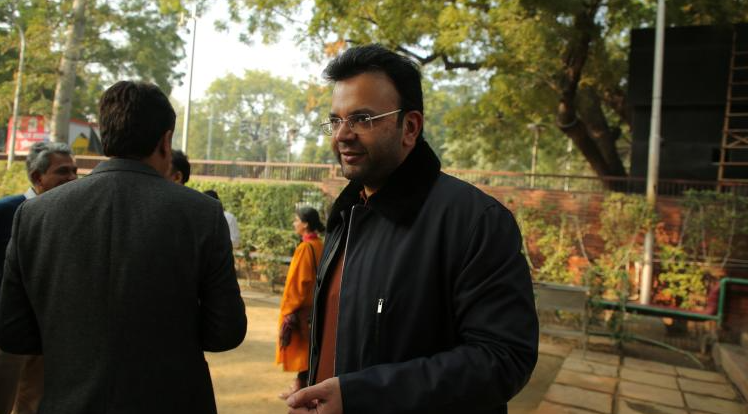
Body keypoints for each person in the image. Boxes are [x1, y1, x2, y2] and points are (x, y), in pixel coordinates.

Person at [284, 45, 538, 414]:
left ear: (410, 127)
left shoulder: (474, 222)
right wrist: (311, 380)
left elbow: (504, 359)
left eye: (362, 119)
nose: (342, 135)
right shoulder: (346, 216)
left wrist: (361, 396)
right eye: (335, 120)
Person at [0, 81, 247, 414]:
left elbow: (13, 331)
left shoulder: (34, 214)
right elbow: (226, 332)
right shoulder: (201, 213)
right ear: (165, 140)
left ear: (107, 136)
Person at [0, 142, 77, 414]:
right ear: (36, 177)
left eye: (74, 171)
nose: (72, 178)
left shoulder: (72, 216)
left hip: (49, 333)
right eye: (63, 171)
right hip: (7, 333)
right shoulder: (6, 211)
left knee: (33, 404)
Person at [276, 206, 324, 387]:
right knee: (309, 350)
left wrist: (288, 309)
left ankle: (300, 386)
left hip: (301, 309)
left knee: (302, 351)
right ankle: (300, 382)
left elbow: (298, 285)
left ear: (305, 224)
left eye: (296, 220)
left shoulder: (305, 248)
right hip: (314, 308)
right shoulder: (320, 245)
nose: (294, 223)